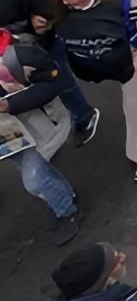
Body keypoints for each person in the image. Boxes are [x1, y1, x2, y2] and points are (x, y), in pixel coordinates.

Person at [51, 0, 137, 182]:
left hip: (134, 60)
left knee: (136, 107)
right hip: (105, 68)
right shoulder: (62, 21)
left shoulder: (124, 2)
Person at [0, 22, 84, 242]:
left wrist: (10, 104)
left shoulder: (18, 55)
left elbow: (53, 83)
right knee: (38, 170)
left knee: (35, 180)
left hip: (35, 125)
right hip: (7, 132)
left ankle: (67, 210)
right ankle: (66, 194)